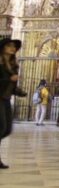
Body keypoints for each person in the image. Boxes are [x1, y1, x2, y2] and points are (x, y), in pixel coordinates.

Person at [0, 37, 22, 169]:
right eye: (9, 46)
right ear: (3, 48)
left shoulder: (13, 64)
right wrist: (9, 78)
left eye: (14, 46)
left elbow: (11, 84)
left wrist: (18, 91)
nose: (13, 48)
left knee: (7, 129)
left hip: (6, 98)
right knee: (1, 126)